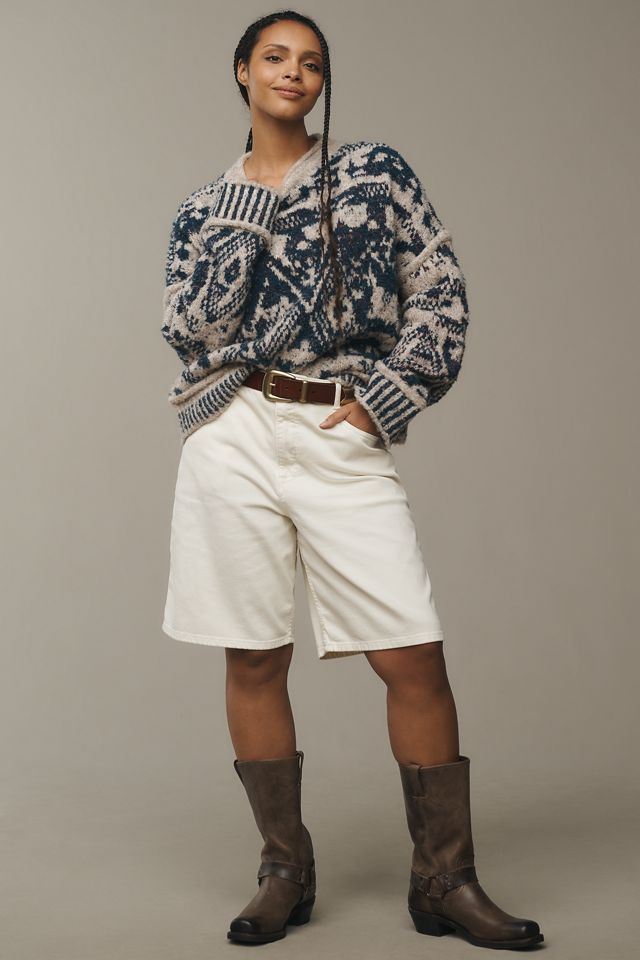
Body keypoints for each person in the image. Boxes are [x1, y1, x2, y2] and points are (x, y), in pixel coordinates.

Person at [160, 9, 544, 951]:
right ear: (243, 71)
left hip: (339, 425)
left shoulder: (375, 173)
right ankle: (284, 871)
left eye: (312, 62)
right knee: (253, 654)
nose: (294, 72)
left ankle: (445, 881)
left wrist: (390, 394)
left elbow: (440, 292)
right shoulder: (202, 208)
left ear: (322, 83)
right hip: (235, 431)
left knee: (412, 652)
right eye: (275, 56)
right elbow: (192, 330)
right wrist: (249, 210)